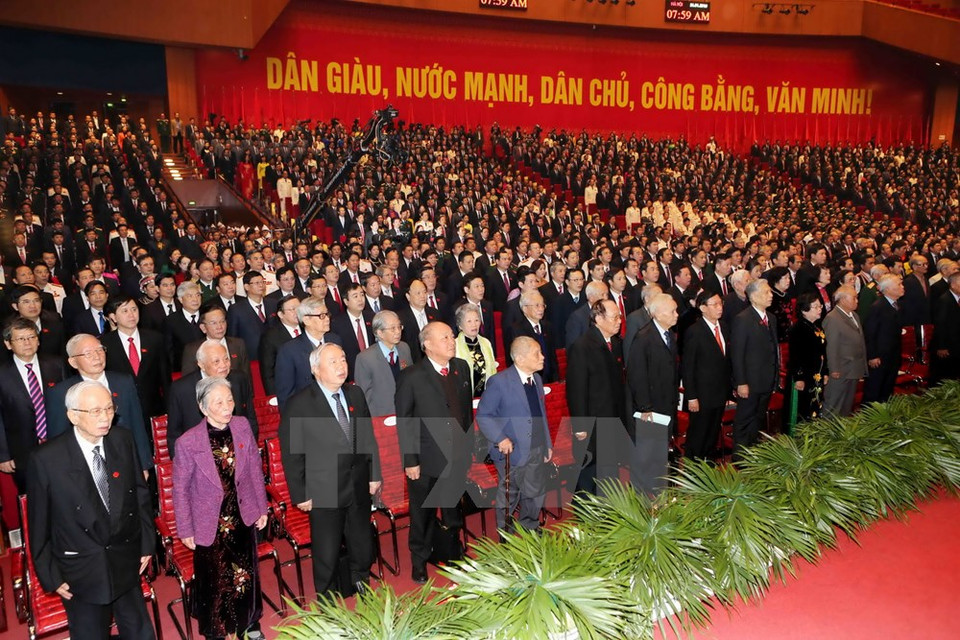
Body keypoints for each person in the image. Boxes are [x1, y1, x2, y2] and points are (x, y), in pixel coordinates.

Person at [27, 381, 155, 640]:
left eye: (109, 409)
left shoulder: (123, 439)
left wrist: (147, 544)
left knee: (139, 631)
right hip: (81, 568)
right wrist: (50, 575)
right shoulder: (46, 459)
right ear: (73, 415)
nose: (106, 417)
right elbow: (39, 523)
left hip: (125, 557)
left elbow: (140, 495)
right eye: (96, 411)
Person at [279, 343, 381, 596]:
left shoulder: (355, 394)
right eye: (333, 362)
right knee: (327, 549)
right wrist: (300, 493)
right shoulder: (299, 404)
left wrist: (374, 474)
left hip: (357, 483)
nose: (341, 366)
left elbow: (368, 438)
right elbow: (292, 454)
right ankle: (325, 595)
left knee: (361, 542)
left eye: (343, 360)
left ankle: (361, 580)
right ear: (316, 370)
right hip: (323, 489)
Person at [173, 377, 268, 640]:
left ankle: (248, 623)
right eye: (219, 403)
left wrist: (262, 507)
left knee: (245, 574)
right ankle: (217, 630)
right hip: (210, 522)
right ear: (203, 408)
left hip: (242, 514)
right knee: (217, 580)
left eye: (230, 400)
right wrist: (185, 528)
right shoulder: (188, 442)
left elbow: (253, 470)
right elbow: (179, 490)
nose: (227, 407)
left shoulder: (242, 426)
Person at [396, 322, 473, 584]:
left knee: (453, 511)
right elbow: (405, 422)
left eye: (452, 336)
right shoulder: (412, 376)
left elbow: (466, 413)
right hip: (425, 460)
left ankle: (452, 553)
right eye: (444, 338)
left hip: (456, 456)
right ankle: (419, 560)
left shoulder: (461, 367)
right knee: (423, 514)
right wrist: (411, 460)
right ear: (427, 344)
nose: (452, 341)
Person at [476, 337, 552, 534]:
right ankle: (506, 535)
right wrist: (500, 438)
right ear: (519, 358)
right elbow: (484, 415)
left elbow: (541, 413)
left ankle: (530, 527)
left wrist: (547, 443)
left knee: (535, 493)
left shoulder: (536, 378)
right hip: (512, 450)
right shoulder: (500, 382)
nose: (542, 357)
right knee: (510, 495)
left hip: (536, 446)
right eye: (537, 353)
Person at [46, 334, 153, 472]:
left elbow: (136, 423)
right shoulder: (61, 392)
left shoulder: (123, 382)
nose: (97, 357)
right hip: (84, 466)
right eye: (88, 353)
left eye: (100, 350)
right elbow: (58, 438)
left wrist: (143, 465)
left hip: (125, 459)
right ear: (73, 362)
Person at [565, 299, 626, 494]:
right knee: (589, 470)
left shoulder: (615, 343)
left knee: (609, 468)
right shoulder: (582, 346)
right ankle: (586, 512)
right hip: (592, 420)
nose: (619, 321)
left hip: (611, 416)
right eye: (614, 317)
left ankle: (610, 508)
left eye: (620, 316)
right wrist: (580, 424)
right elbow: (576, 389)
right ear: (598, 318)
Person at [0, 318, 67, 492]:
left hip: (59, 444)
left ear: (38, 339)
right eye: (20, 339)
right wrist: (3, 455)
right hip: (21, 451)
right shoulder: (2, 374)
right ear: (8, 344)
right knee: (32, 498)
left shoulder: (57, 365)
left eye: (31, 337)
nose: (27, 343)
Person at [167, 340, 258, 456]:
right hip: (198, 458)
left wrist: (249, 453)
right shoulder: (181, 389)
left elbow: (250, 420)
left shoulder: (240, 380)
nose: (224, 365)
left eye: (226, 359)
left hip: (238, 453)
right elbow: (174, 435)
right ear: (201, 364)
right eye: (216, 361)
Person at [730, 279, 779, 461]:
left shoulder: (771, 318)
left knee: (758, 419)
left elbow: (774, 349)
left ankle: (753, 453)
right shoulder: (743, 319)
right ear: (754, 296)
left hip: (766, 379)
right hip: (749, 382)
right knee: (745, 419)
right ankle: (740, 457)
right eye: (767, 292)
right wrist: (741, 382)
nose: (771, 295)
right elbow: (737, 354)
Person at [681, 291, 732, 460]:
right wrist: (692, 396)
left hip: (720, 392)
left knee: (713, 433)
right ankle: (693, 469)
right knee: (698, 434)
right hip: (702, 394)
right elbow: (688, 367)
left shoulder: (724, 326)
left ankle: (708, 466)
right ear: (703, 308)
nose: (720, 308)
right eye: (715, 305)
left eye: (721, 303)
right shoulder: (694, 331)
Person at [274, 296, 343, 410]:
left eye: (327, 314)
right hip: (307, 412)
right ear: (306, 320)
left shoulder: (335, 340)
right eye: (322, 316)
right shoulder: (289, 350)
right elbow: (285, 396)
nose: (327, 319)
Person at [354, 310, 413, 416]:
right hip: (383, 416)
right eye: (392, 328)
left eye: (399, 327)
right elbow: (365, 396)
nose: (398, 331)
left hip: (407, 412)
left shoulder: (404, 348)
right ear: (379, 333)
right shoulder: (365, 358)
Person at [822, 285, 868, 418]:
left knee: (847, 406)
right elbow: (831, 345)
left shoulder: (854, 315)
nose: (857, 301)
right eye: (854, 298)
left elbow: (860, 340)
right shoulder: (833, 318)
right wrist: (833, 368)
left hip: (853, 368)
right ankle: (828, 433)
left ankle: (842, 434)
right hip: (840, 369)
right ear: (842, 300)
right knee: (834, 404)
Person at [863, 273, 905, 404]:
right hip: (880, 358)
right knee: (874, 392)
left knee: (887, 391)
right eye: (899, 284)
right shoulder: (878, 307)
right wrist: (872, 356)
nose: (903, 287)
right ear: (888, 289)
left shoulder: (896, 305)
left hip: (892, 356)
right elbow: (870, 333)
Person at [788, 293, 828, 424]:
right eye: (815, 307)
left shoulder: (816, 325)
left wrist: (825, 372)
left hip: (817, 374)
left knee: (816, 404)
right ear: (804, 310)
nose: (820, 309)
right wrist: (799, 378)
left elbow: (823, 351)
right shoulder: (798, 329)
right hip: (804, 376)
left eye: (820, 306)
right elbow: (795, 356)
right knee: (804, 407)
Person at [454, 303, 498, 397]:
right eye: (469, 321)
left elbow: (493, 370)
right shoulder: (454, 345)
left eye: (477, 320)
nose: (474, 324)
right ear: (460, 325)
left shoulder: (486, 343)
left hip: (487, 394)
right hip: (464, 396)